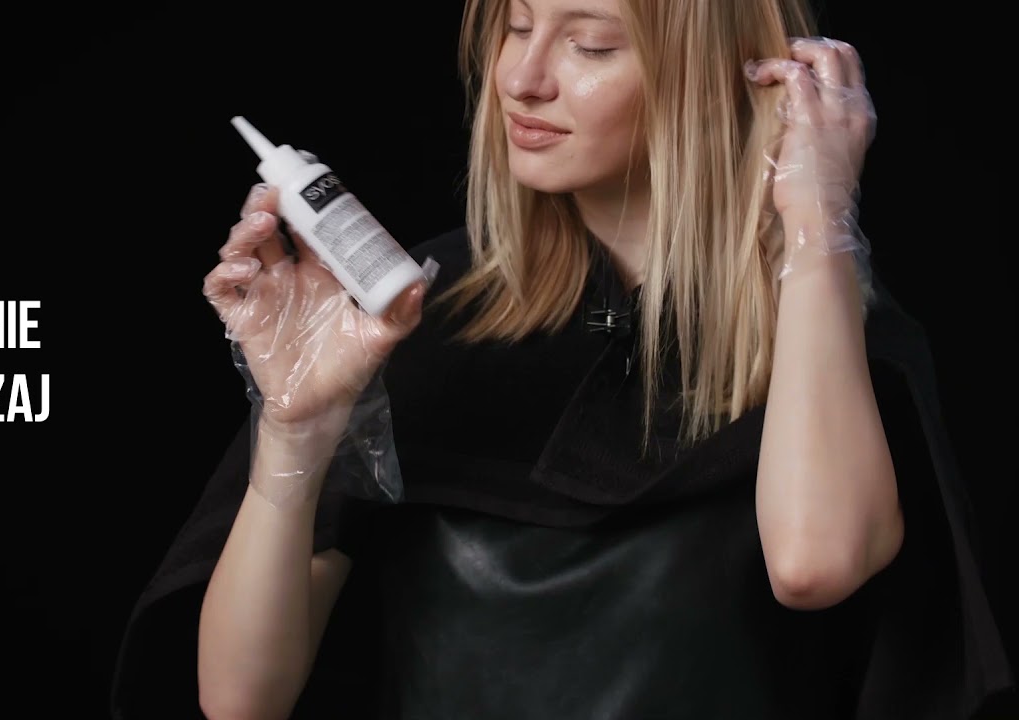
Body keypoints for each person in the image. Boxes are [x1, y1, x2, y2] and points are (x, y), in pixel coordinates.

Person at [110, 0, 1014, 718]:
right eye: (514, 27)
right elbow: (240, 698)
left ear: (712, 77)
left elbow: (816, 564)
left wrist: (815, 224)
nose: (523, 78)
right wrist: (295, 431)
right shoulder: (419, 315)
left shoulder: (828, 330)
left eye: (590, 45)